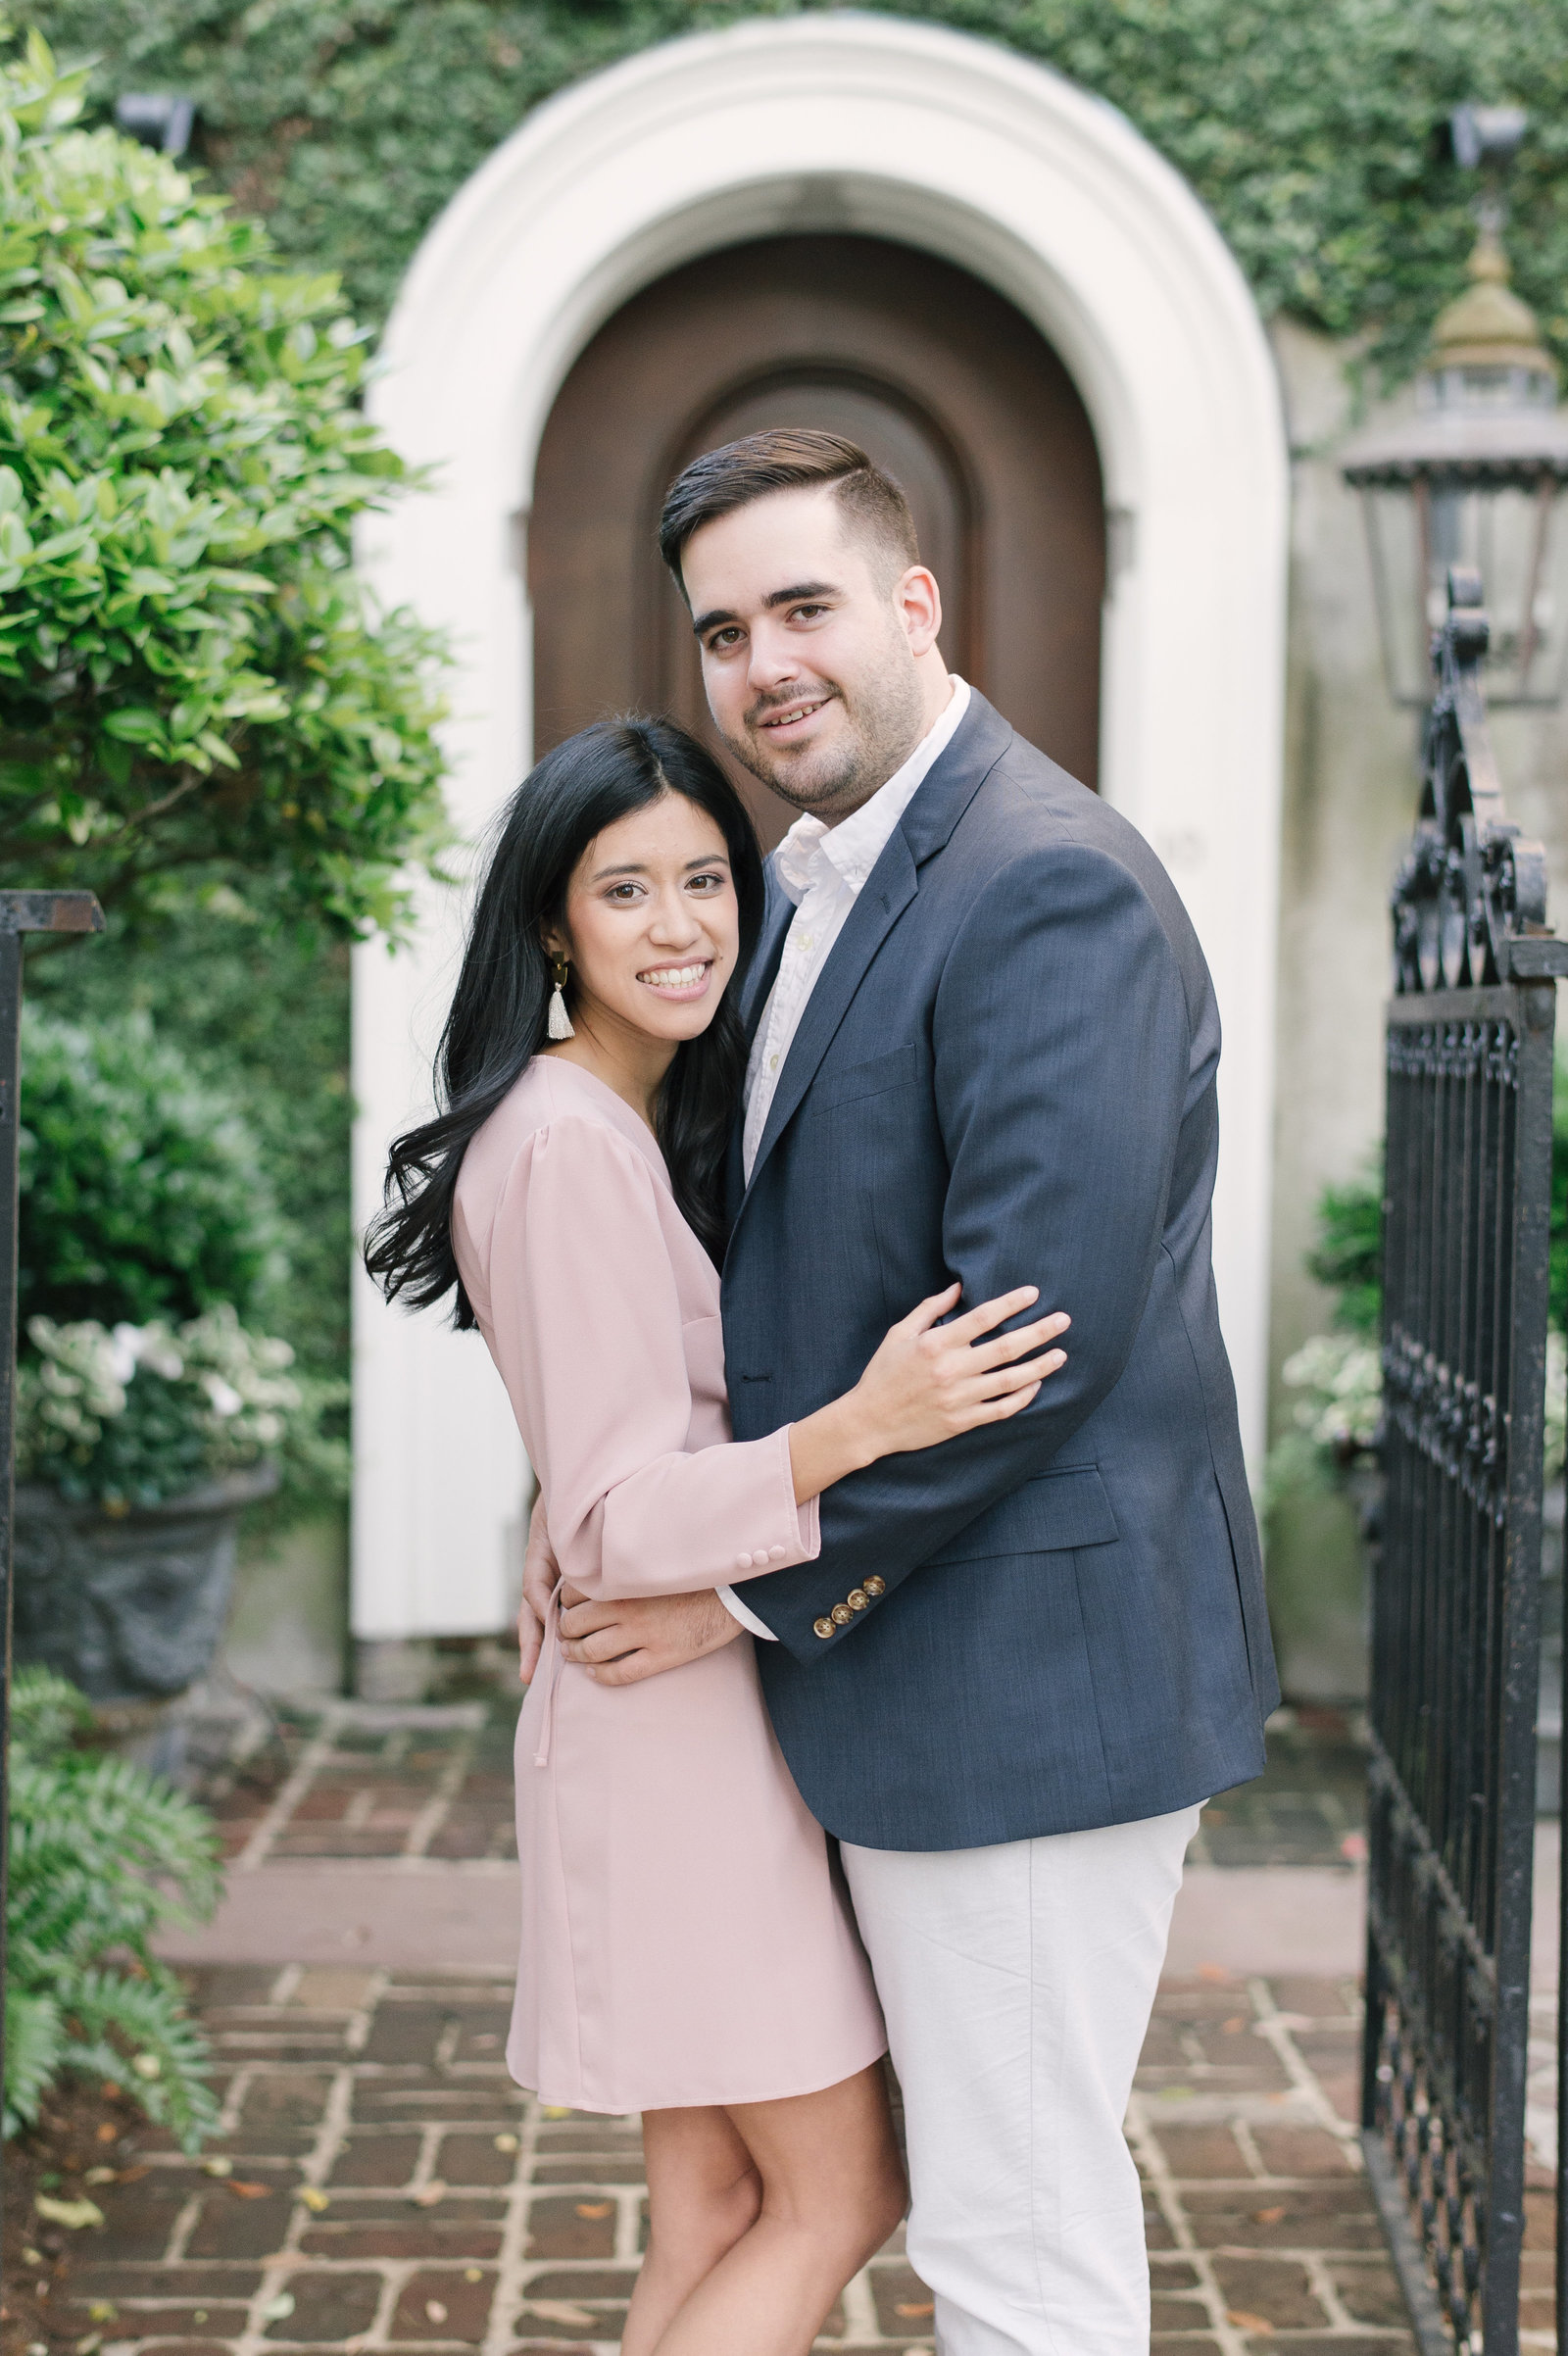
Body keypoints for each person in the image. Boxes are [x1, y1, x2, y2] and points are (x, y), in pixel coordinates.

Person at [541, 431, 1281, 2356]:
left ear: (910, 602)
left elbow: (1031, 1346)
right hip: (891, 1671)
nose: (762, 662)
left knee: (1014, 2234)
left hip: (1022, 1676)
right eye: (720, 631)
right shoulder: (795, 880)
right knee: (904, 2190)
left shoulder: (1046, 886)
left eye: (800, 606)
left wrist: (739, 1578)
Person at [363, 713, 1070, 2356]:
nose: (680, 925)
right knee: (842, 2193)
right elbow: (620, 1517)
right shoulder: (564, 1147)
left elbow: (597, 1467)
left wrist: (581, 1495)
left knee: (720, 2210)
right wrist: (861, 1426)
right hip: (671, 1756)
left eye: (705, 880)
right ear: (554, 922)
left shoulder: (614, 1125)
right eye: (627, 891)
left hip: (684, 1723)